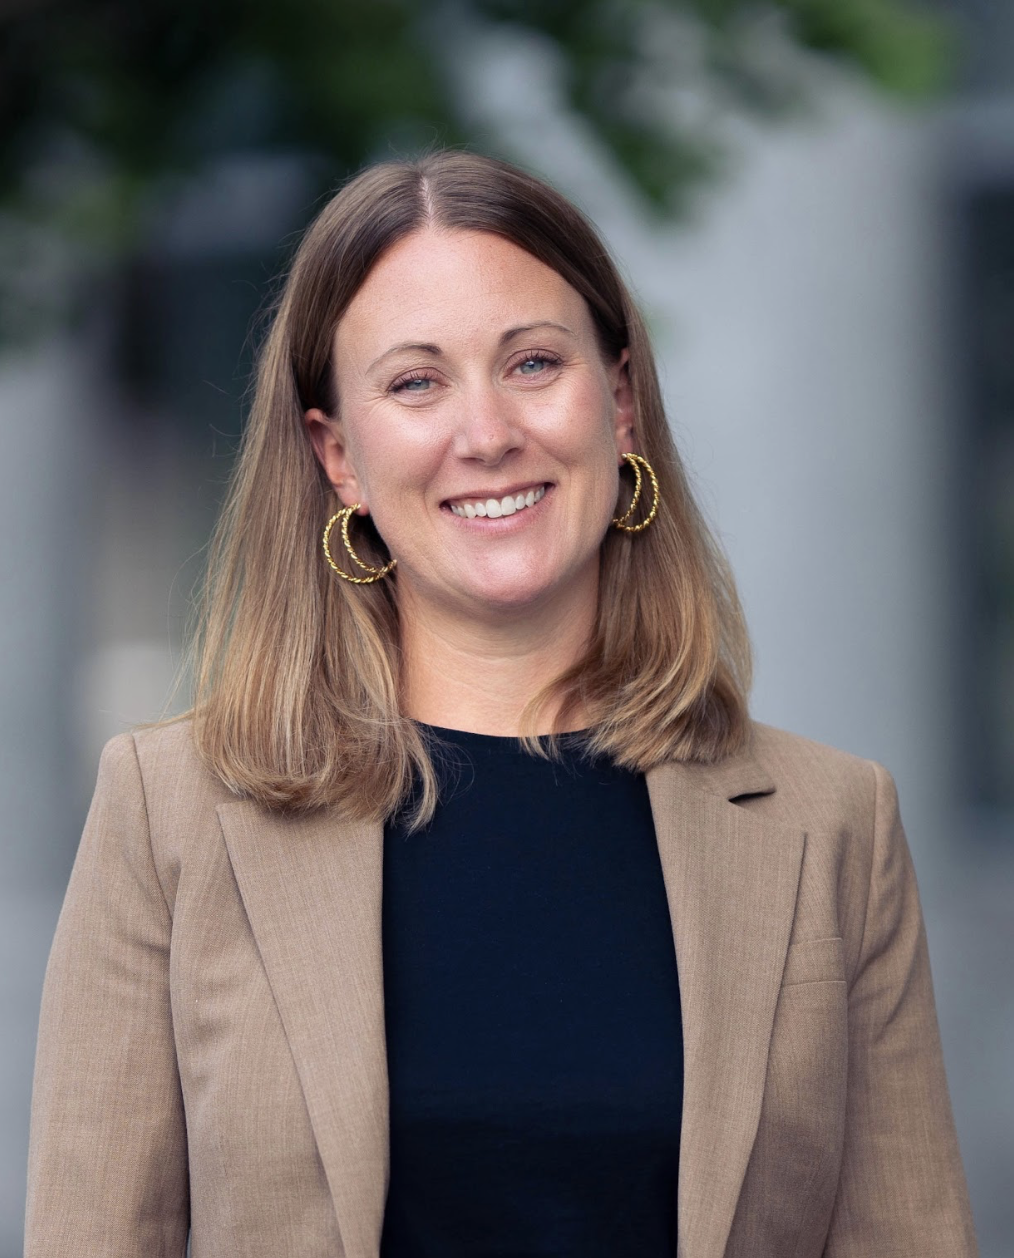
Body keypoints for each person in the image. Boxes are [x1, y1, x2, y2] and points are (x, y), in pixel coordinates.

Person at [25, 150, 977, 1258]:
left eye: (532, 363)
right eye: (416, 382)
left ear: (618, 402)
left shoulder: (833, 828)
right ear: (339, 456)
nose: (486, 433)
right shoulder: (171, 816)